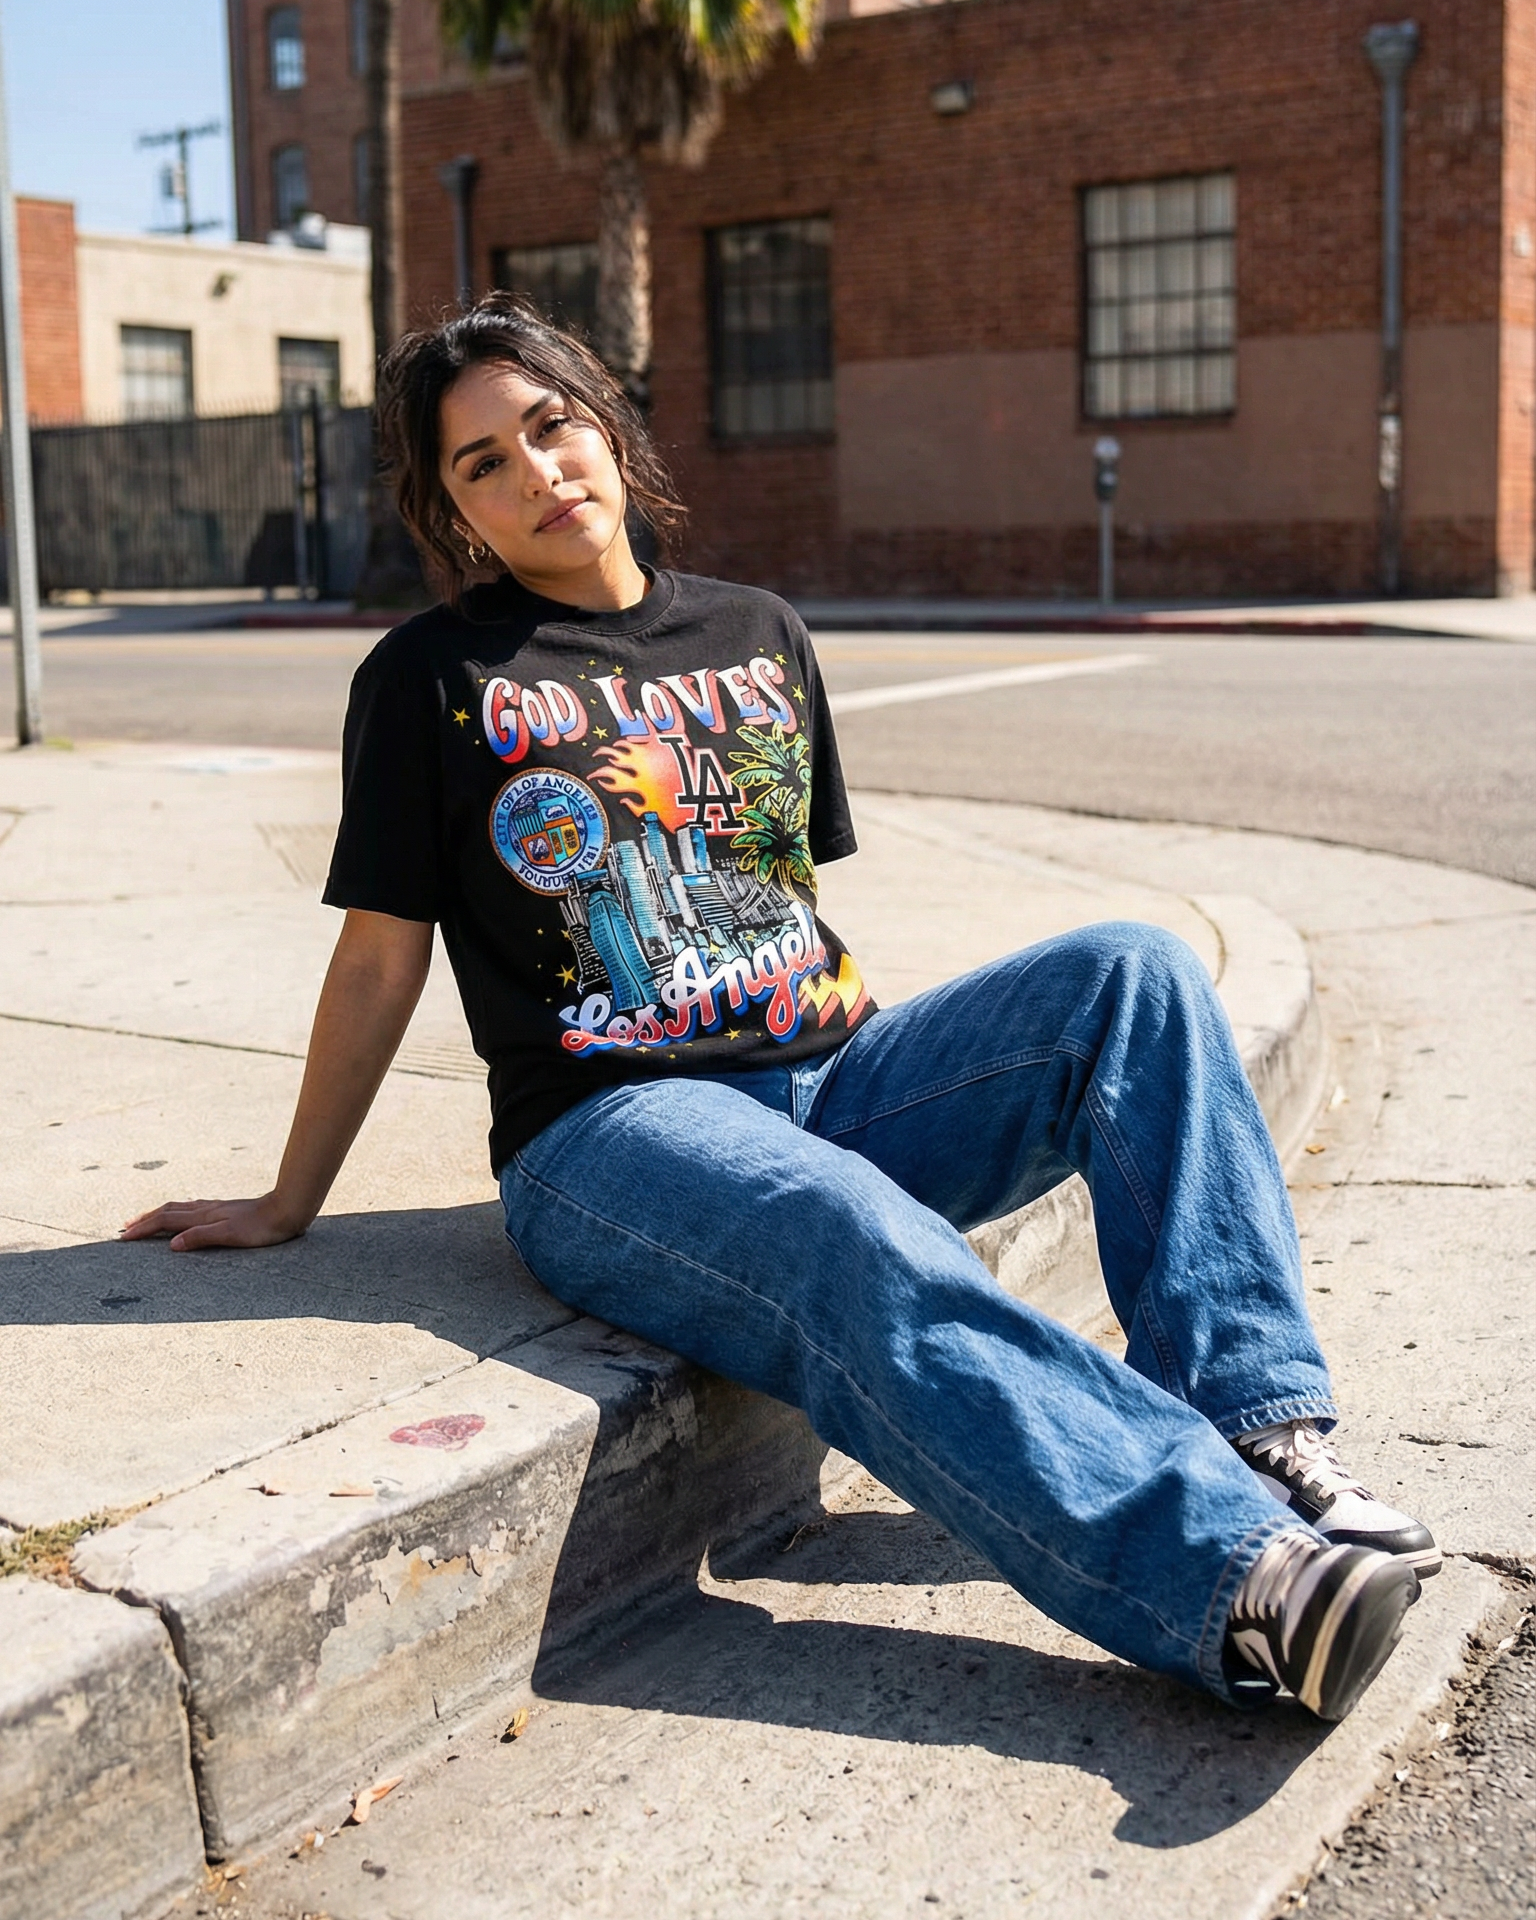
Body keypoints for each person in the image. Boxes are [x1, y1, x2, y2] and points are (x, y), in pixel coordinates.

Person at [125, 294, 1438, 1724]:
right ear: (454, 513)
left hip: (839, 1079)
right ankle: (1238, 1585)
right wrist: (289, 1199)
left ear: (608, 426)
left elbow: (780, 898)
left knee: (1135, 972)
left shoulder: (759, 632)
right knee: (838, 1223)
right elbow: (380, 959)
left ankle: (1263, 1437)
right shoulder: (429, 680)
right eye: (483, 463)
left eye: (553, 426)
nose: (538, 471)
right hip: (613, 1131)